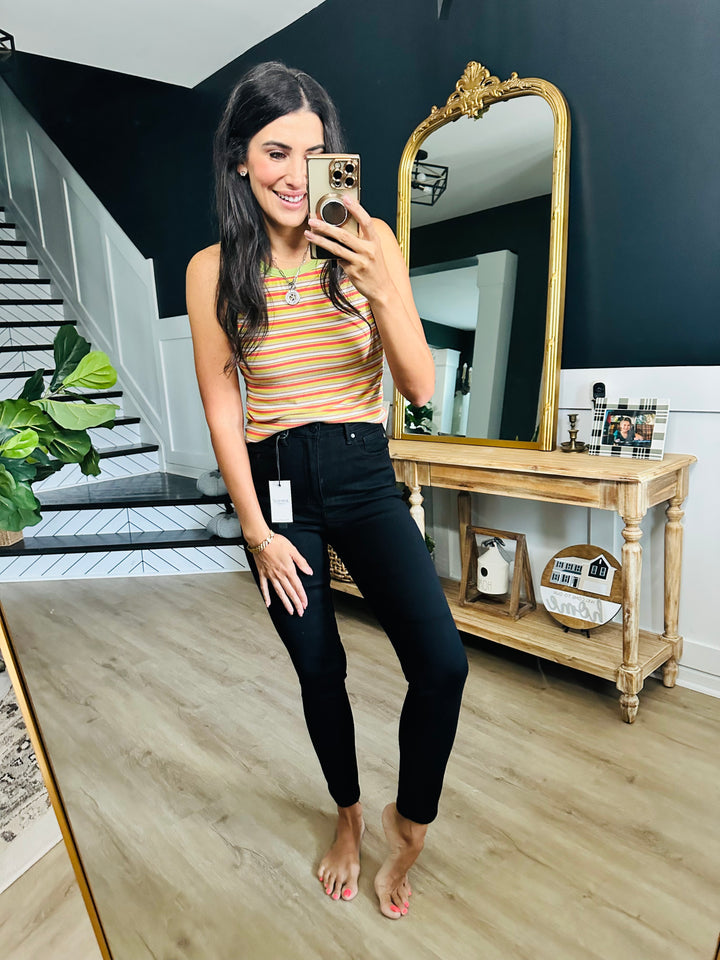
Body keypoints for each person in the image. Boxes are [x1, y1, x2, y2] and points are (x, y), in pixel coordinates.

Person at [186, 61, 468, 920]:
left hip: (363, 473)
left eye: (314, 155)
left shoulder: (369, 244)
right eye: (275, 151)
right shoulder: (212, 271)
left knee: (443, 665)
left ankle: (406, 825)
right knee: (319, 667)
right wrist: (255, 531)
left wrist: (384, 290)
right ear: (240, 158)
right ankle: (347, 817)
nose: (293, 174)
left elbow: (420, 387)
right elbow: (223, 407)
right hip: (276, 489)